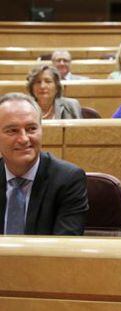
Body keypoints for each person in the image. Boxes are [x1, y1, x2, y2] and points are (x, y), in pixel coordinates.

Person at [0, 92, 89, 235]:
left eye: (31, 129)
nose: (24, 139)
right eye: (12, 131)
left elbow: (64, 247)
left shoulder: (68, 179)